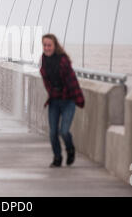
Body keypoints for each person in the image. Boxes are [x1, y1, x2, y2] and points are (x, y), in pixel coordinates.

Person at [39, 33, 85, 168]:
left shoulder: (63, 60)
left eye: (49, 45)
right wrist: (53, 94)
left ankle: (70, 149)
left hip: (68, 101)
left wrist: (79, 99)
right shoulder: (43, 61)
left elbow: (72, 82)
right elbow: (47, 82)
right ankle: (57, 158)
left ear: (55, 46)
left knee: (64, 131)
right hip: (54, 101)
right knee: (53, 132)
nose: (47, 48)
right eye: (45, 45)